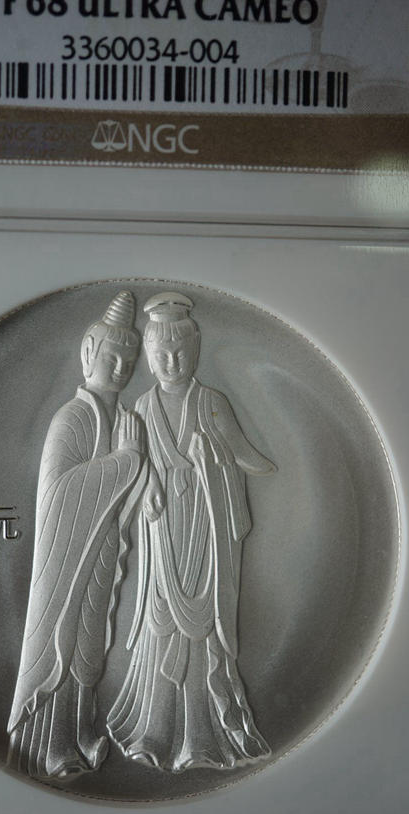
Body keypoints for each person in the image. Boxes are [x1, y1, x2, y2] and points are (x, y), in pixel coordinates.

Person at [107, 292, 274, 772]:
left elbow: (247, 458)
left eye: (180, 352)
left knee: (203, 633)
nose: (171, 362)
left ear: (196, 350)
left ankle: (203, 736)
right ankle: (154, 728)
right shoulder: (141, 407)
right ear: (148, 355)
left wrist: (213, 462)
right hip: (162, 537)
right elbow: (129, 468)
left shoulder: (211, 403)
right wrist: (148, 484)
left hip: (204, 530)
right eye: (161, 353)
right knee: (161, 623)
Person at [7, 291, 146, 779]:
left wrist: (137, 473)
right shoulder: (72, 417)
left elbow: (130, 488)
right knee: (61, 645)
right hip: (64, 556)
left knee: (88, 646)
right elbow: (61, 493)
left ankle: (78, 731)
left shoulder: (123, 419)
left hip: (100, 548)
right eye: (112, 356)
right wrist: (125, 461)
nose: (121, 367)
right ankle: (47, 745)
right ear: (89, 353)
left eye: (130, 359)